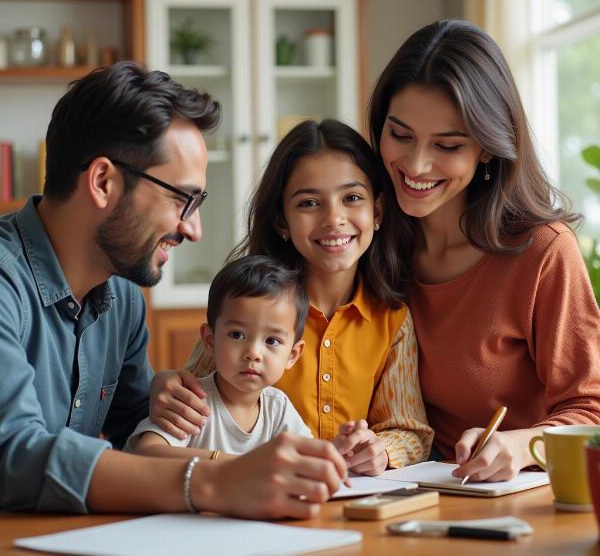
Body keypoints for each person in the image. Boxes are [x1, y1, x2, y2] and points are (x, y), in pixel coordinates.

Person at [0, 61, 347, 518]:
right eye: (182, 198)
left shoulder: (121, 299)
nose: (194, 228)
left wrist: (158, 397)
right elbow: (14, 455)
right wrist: (217, 478)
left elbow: (137, 435)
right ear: (103, 182)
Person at [368, 19, 600, 482]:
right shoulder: (367, 237)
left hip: (517, 497)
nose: (415, 164)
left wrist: (518, 445)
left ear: (489, 149)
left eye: (447, 145)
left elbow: (592, 410)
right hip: (398, 492)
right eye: (400, 134)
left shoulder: (544, 253)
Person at [186, 119, 433, 475]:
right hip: (249, 498)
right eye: (309, 203)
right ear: (281, 222)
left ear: (377, 211)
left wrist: (380, 450)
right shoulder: (245, 305)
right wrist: (168, 387)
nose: (334, 219)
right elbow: (187, 396)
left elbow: (410, 431)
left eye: (351, 198)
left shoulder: (391, 319)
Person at [128, 255, 312, 458]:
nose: (253, 353)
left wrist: (340, 451)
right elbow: (148, 452)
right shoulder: (193, 401)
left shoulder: (278, 407)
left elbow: (308, 457)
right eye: (237, 335)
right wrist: (232, 464)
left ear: (292, 355)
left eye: (271, 341)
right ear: (210, 340)